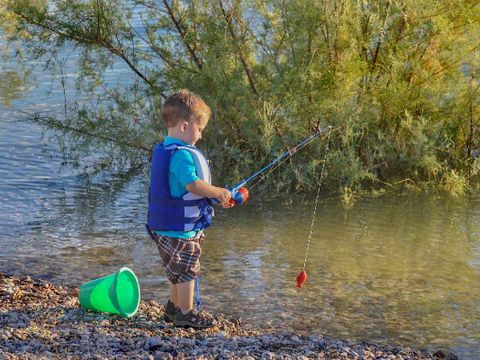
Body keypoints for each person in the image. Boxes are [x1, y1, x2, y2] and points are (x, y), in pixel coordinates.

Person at [146, 89, 232, 329]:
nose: (201, 135)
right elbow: (192, 184)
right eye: (200, 129)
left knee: (176, 269)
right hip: (179, 229)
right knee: (187, 270)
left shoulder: (166, 149)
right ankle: (186, 312)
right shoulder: (182, 156)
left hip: (166, 226)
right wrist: (217, 192)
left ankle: (173, 309)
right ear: (185, 126)